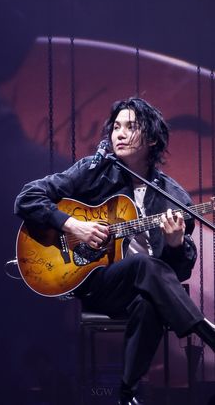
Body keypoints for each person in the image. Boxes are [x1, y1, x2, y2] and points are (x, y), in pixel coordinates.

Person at [15, 97, 215, 405]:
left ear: (151, 139)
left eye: (130, 127)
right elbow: (27, 198)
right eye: (116, 127)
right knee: (144, 266)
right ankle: (206, 332)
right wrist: (72, 225)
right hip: (97, 282)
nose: (119, 134)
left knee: (149, 299)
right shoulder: (95, 171)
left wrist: (175, 244)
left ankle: (126, 393)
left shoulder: (174, 197)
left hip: (143, 287)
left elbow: (178, 272)